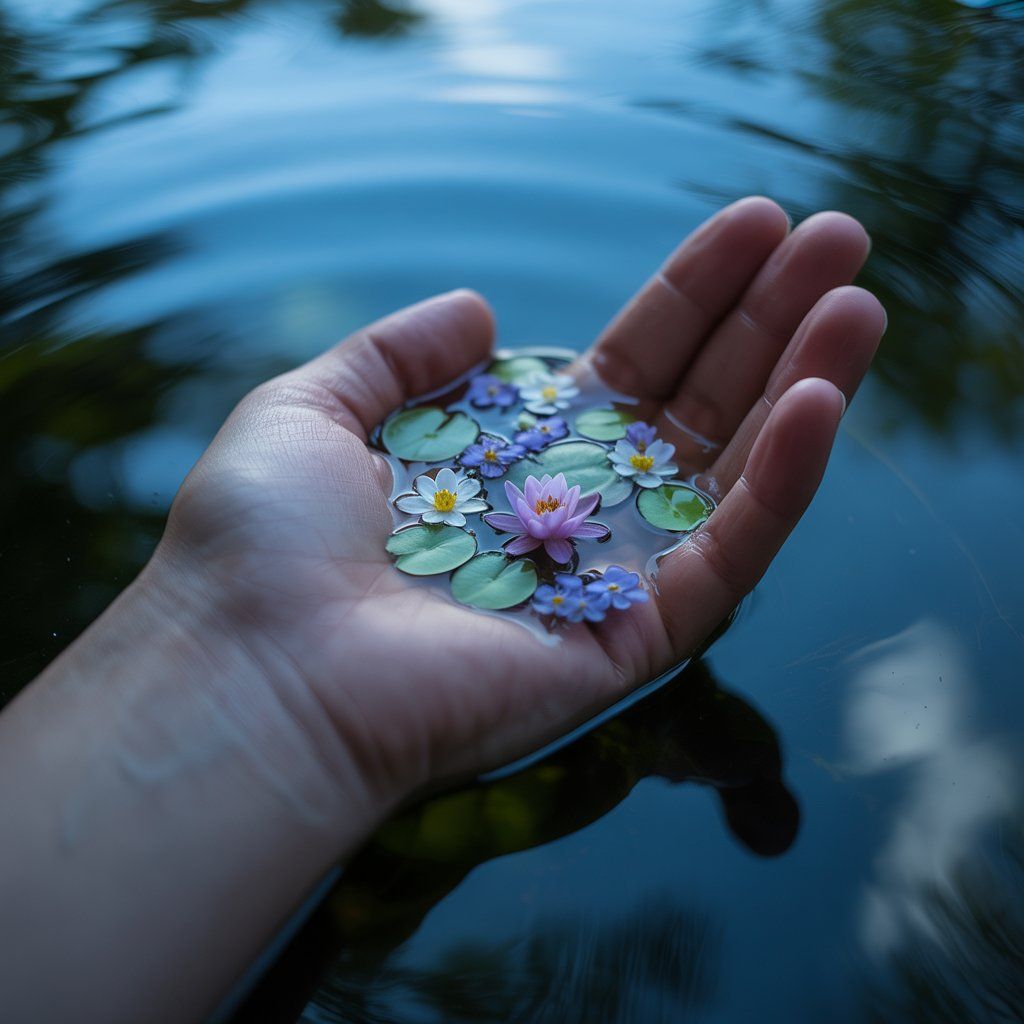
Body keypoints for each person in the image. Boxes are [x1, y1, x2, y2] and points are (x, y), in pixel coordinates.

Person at [0, 197, 885, 1022]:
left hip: (582, 531)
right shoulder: (477, 517)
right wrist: (242, 643)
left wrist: (256, 676)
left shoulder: (569, 502)